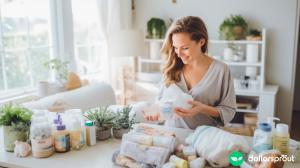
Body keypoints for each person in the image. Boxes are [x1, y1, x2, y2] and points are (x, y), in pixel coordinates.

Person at [144, 16, 236, 129]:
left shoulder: (221, 71)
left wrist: (202, 108)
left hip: (203, 139)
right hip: (171, 137)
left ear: (201, 42)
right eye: (176, 47)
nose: (179, 53)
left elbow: (229, 111)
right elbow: (161, 101)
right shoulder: (171, 66)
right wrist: (157, 113)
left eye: (185, 48)